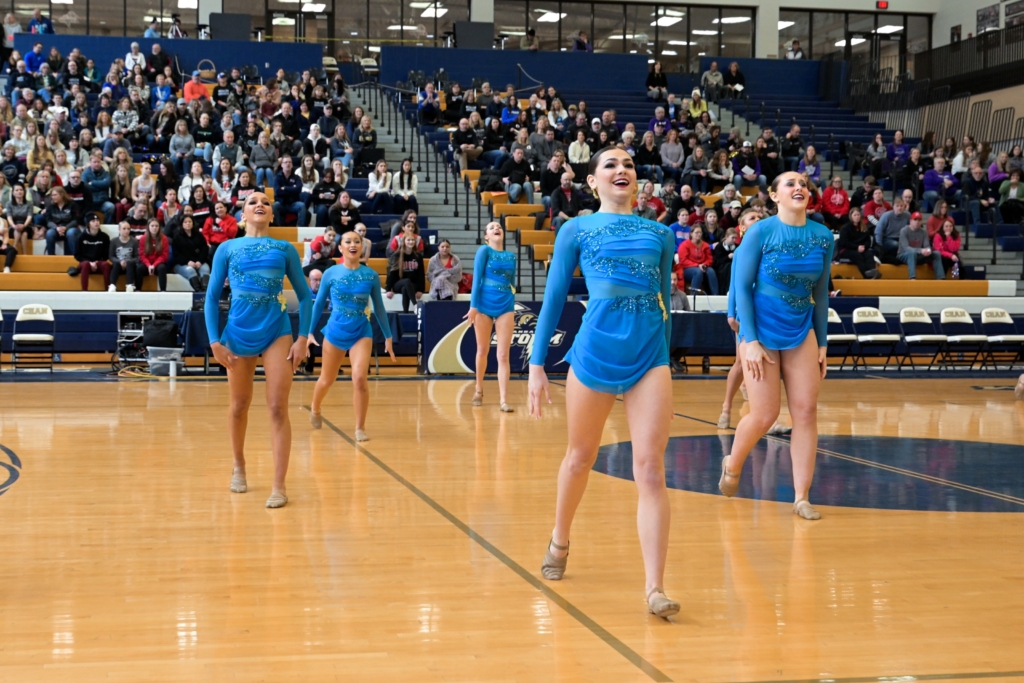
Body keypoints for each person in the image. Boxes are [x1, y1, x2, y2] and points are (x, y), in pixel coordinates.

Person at [528, 146, 679, 618]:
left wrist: (665, 359)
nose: (621, 170)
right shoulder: (575, 228)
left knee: (651, 468)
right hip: (594, 352)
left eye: (628, 165)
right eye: (610, 165)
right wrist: (536, 364)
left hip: (649, 355)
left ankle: (655, 587)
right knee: (580, 458)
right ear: (592, 181)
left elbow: (664, 304)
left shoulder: (660, 233)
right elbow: (554, 296)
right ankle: (560, 537)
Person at [720, 172, 833, 520]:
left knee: (806, 411)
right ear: (774, 195)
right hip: (761, 330)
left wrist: (823, 343)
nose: (799, 187)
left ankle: (801, 497)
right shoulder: (760, 232)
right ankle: (733, 462)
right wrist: (749, 340)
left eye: (803, 183)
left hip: (802, 328)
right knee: (765, 414)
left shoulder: (823, 236)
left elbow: (821, 292)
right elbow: (741, 287)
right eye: (789, 184)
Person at [204, 192, 313, 509]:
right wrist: (214, 341)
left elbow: (305, 297)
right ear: (243, 214)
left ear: (272, 214)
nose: (259, 204)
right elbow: (211, 298)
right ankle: (239, 465)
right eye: (252, 201)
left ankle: (279, 485)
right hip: (237, 333)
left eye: (265, 201)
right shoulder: (226, 248)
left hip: (277, 330)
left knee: (278, 407)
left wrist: (303, 337)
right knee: (239, 405)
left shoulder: (284, 249)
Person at [307, 230, 396, 439]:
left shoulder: (371, 275)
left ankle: (359, 427)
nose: (353, 244)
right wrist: (309, 331)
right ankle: (315, 407)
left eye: (357, 241)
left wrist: (388, 336)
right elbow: (319, 303)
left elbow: (379, 308)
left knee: (359, 378)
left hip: (361, 331)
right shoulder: (330, 273)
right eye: (348, 241)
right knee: (327, 379)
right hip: (335, 330)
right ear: (341, 248)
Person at [465, 222, 517, 411]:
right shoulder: (483, 251)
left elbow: (513, 283)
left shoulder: (512, 256)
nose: (496, 228)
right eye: (491, 227)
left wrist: (512, 298)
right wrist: (473, 307)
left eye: (499, 226)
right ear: (486, 236)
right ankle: (479, 389)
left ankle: (503, 400)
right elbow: (477, 279)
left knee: (503, 355)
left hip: (506, 304)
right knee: (482, 350)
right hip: (483, 305)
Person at [385, 233, 425, 312]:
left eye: (413, 240)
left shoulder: (418, 256)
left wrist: (421, 290)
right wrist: (388, 289)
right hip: (398, 284)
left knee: (405, 289)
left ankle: (405, 313)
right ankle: (415, 305)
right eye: (408, 240)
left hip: (413, 285)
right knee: (406, 281)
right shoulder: (397, 255)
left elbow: (421, 274)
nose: (411, 242)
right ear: (404, 241)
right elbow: (391, 273)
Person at [898, 212, 944, 280]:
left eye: (919, 220)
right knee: (912, 253)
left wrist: (928, 251)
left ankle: (941, 278)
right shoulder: (904, 231)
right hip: (903, 255)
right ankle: (912, 278)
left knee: (936, 254)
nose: (917, 222)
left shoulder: (923, 232)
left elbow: (927, 246)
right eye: (915, 220)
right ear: (910, 221)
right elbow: (906, 248)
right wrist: (921, 250)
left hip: (918, 256)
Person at [836, 207, 879, 279]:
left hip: (861, 248)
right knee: (857, 255)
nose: (857, 217)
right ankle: (867, 276)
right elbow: (844, 242)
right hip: (846, 249)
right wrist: (857, 247)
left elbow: (868, 241)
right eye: (855, 215)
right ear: (851, 216)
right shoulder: (845, 228)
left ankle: (873, 272)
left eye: (858, 215)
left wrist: (864, 247)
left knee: (869, 254)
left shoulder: (864, 227)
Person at [172, 214, 211, 291]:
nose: (188, 223)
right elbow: (176, 255)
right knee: (190, 270)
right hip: (182, 264)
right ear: (181, 224)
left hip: (199, 262)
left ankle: (205, 292)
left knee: (205, 270)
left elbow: (204, 250)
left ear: (193, 223)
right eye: (185, 222)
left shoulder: (199, 235)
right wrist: (187, 262)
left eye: (190, 221)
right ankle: (198, 291)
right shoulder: (177, 237)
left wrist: (200, 261)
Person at [676, 224, 717, 294]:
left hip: (703, 266)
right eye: (696, 232)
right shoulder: (684, 245)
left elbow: (710, 259)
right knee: (698, 272)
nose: (699, 234)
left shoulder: (705, 245)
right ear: (691, 233)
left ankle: (716, 296)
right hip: (688, 268)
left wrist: (704, 264)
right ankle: (693, 296)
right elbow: (683, 261)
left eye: (700, 232)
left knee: (711, 271)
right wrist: (698, 265)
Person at [73, 212, 110, 290]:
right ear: (88, 224)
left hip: (99, 263)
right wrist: (90, 262)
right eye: (93, 221)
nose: (96, 222)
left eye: (97, 220)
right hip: (85, 263)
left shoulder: (105, 237)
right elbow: (77, 255)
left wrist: (97, 262)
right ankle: (84, 291)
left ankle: (108, 290)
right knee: (86, 264)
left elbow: (106, 254)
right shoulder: (81, 237)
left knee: (106, 265)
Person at [43, 186, 81, 256]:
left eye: (55, 195)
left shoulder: (72, 205)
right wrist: (56, 228)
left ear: (62, 194)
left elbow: (75, 220)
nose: (53, 197)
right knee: (49, 233)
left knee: (71, 233)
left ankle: (74, 256)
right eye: (52, 195)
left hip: (70, 228)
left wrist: (65, 227)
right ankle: (51, 257)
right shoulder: (50, 207)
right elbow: (48, 221)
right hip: (57, 229)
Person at [962, 164, 998, 231]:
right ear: (972, 174)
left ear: (982, 174)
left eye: (980, 173)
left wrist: (989, 199)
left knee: (995, 203)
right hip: (967, 203)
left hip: (981, 203)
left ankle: (999, 223)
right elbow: (967, 196)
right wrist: (980, 200)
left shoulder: (984, 183)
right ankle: (977, 224)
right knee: (975, 202)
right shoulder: (967, 182)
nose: (978, 174)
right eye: (976, 173)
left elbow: (986, 195)